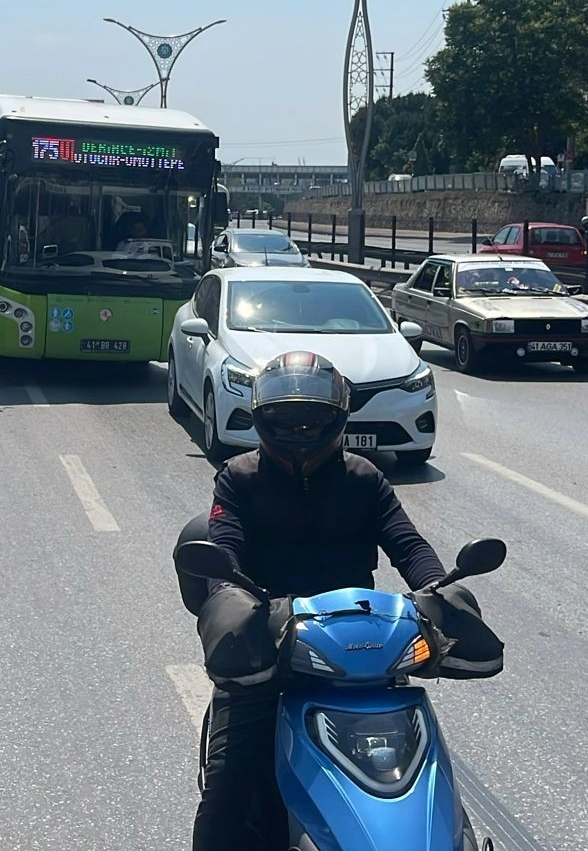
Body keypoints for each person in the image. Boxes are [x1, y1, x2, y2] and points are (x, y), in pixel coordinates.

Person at [188, 351, 448, 851]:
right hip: (265, 649)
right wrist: (231, 604)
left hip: (362, 654)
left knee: (429, 771)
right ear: (263, 418)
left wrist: (439, 591)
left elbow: (409, 545)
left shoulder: (364, 478)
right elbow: (224, 552)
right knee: (230, 786)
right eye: (286, 418)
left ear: (338, 418)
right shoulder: (239, 478)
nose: (300, 429)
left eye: (313, 418)